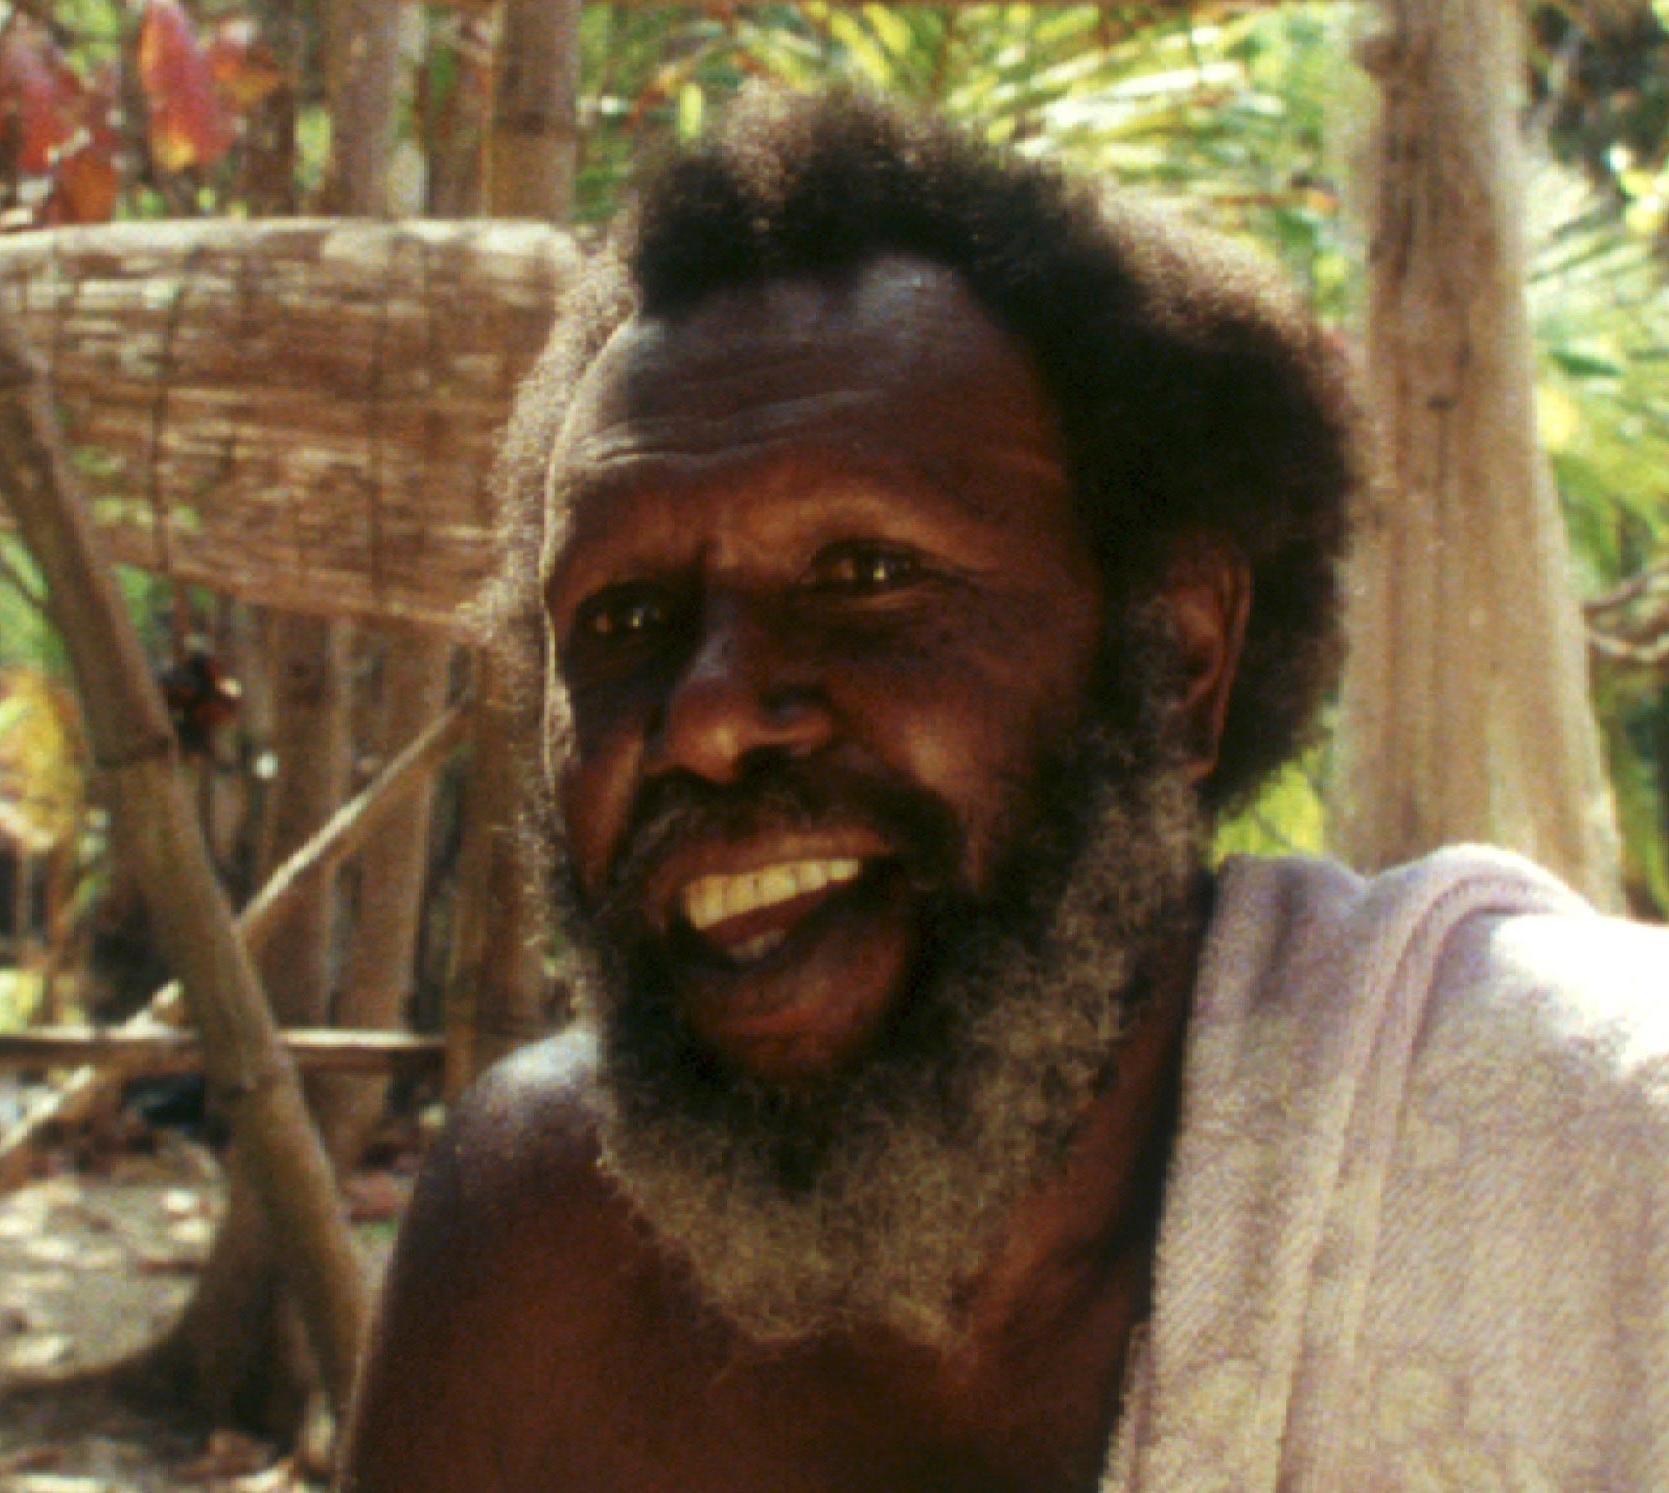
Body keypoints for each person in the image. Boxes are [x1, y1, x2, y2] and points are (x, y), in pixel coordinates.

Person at [342, 90, 1669, 1492]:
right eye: (620, 622)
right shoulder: (538, 1256)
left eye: (861, 576)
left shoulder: (1601, 1159)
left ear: (1179, 660)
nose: (709, 715)